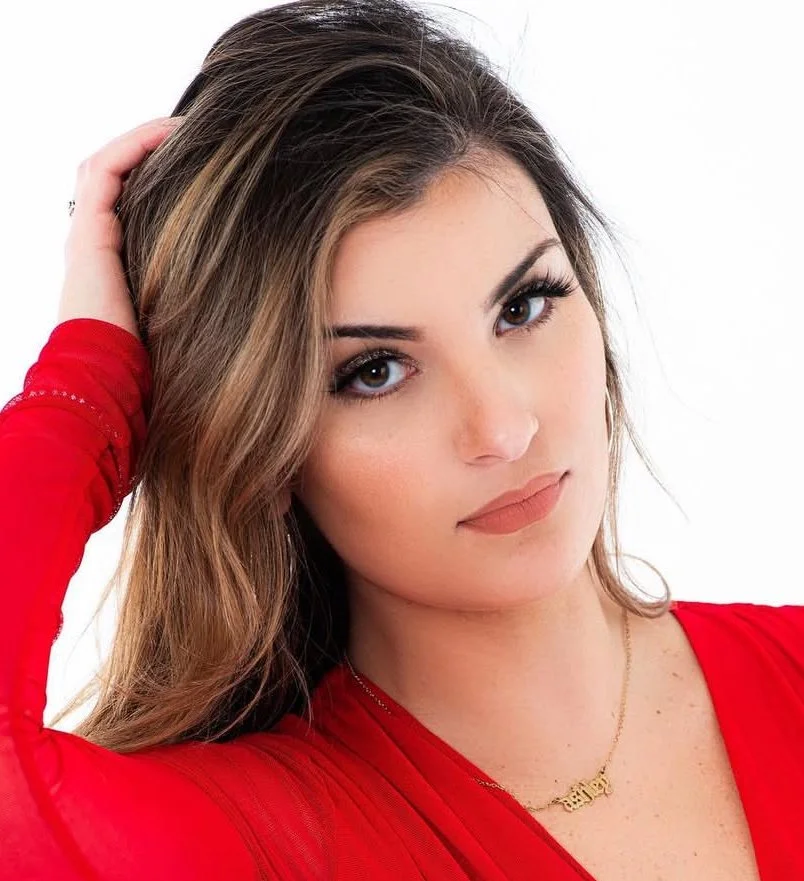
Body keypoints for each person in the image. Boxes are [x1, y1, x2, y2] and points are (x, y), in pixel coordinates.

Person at [1, 1, 802, 878]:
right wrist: (85, 388)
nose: (503, 428)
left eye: (524, 305)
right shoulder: (258, 841)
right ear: (258, 447)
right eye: (374, 370)